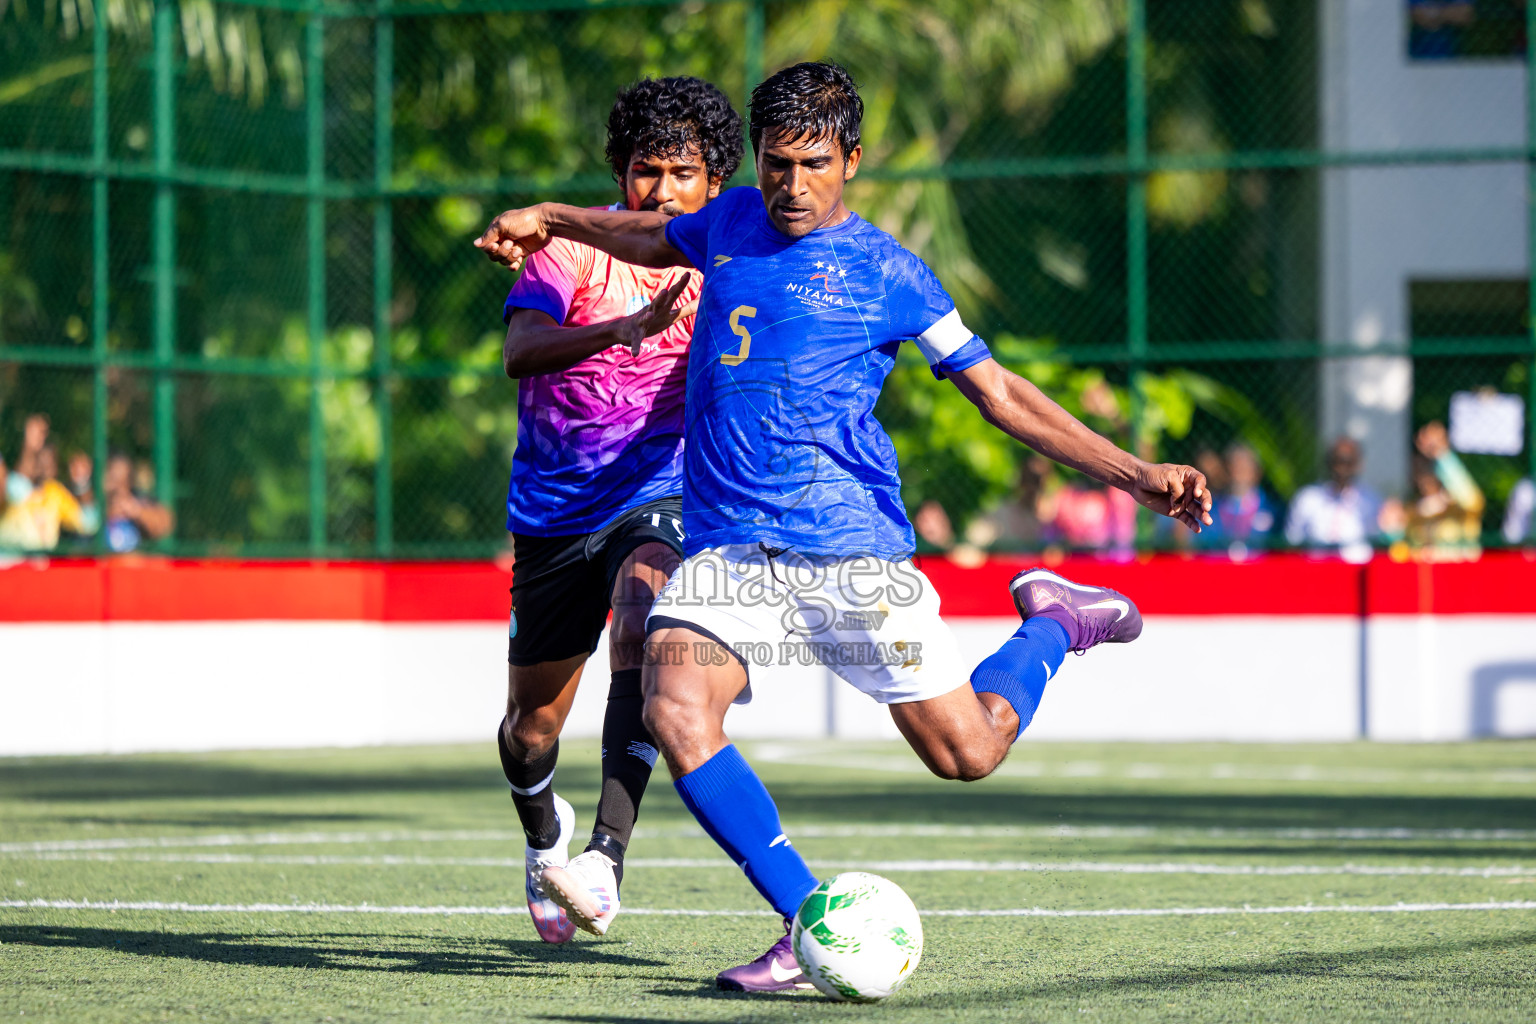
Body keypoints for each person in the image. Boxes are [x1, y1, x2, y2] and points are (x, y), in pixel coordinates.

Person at [475, 61, 1211, 989]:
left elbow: (1001, 395)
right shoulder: (732, 221)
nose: (790, 185)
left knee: (968, 751)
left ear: (852, 160)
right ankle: (804, 919)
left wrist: (1135, 473)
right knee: (674, 705)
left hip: (847, 546)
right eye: (776, 163)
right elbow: (650, 234)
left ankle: (1056, 621)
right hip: (731, 545)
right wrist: (552, 217)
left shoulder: (892, 276)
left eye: (813, 164)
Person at [491, 76, 744, 945]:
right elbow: (519, 350)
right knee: (531, 732)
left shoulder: (728, 263)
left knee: (645, 610)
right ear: (620, 172)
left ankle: (602, 856)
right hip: (556, 513)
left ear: (714, 182)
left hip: (659, 492)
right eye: (647, 171)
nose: (663, 191)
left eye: (685, 173)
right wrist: (621, 330)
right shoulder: (572, 253)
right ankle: (544, 836)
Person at [1283, 436, 1382, 563]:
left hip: (1355, 572)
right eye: (1337, 461)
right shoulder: (1307, 499)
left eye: (1348, 462)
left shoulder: (1371, 501)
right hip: (1316, 571)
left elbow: (1377, 544)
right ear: (1328, 463)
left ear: (1358, 464)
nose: (1342, 468)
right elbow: (1292, 542)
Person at [1210, 443, 1277, 558]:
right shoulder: (1209, 511)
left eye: (1244, 468)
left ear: (1256, 472)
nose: (1238, 473)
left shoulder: (1273, 512)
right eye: (1234, 467)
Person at [100, 454, 174, 552]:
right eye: (112, 479)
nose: (117, 487)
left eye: (123, 482)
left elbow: (165, 525)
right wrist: (110, 513)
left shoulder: (139, 500)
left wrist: (137, 512)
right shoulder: (98, 501)